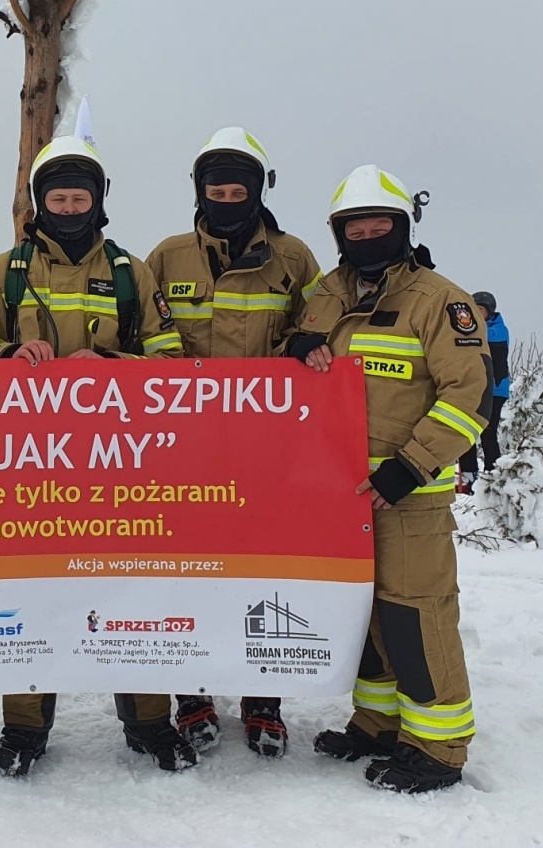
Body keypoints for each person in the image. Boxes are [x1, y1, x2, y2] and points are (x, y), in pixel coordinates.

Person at [0, 133, 187, 776]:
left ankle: (149, 722)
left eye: (79, 195)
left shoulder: (130, 271)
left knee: (131, 589)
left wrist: (110, 361)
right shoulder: (5, 271)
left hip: (122, 465)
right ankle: (24, 729)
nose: (68, 205)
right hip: (30, 467)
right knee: (31, 590)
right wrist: (8, 356)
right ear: (39, 202)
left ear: (98, 201)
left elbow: (171, 364)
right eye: (56, 196)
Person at [287, 165, 490, 793]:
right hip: (340, 497)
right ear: (339, 233)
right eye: (356, 227)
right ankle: (377, 722)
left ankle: (437, 746)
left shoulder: (440, 301)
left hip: (408, 497)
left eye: (381, 226)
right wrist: (297, 348)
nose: (368, 236)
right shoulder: (325, 290)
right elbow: (300, 358)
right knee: (363, 612)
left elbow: (470, 395)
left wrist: (412, 466)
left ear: (404, 229)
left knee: (415, 616)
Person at [146, 127, 322, 760]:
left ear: (258, 191)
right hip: (184, 453)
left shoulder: (295, 258)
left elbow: (325, 323)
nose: (225, 199)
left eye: (236, 190)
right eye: (214, 190)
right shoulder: (165, 258)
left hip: (267, 453)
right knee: (185, 572)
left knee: (263, 574)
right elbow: (144, 336)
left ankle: (262, 697)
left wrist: (309, 339)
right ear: (200, 193)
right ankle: (190, 690)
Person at [457, 291, 510, 492]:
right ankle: (468, 479)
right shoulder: (471, 329)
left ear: (489, 311)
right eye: (473, 311)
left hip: (496, 390)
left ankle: (493, 477)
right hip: (474, 388)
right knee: (467, 433)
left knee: (488, 433)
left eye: (480, 310)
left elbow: (487, 338)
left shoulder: (499, 329)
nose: (477, 315)